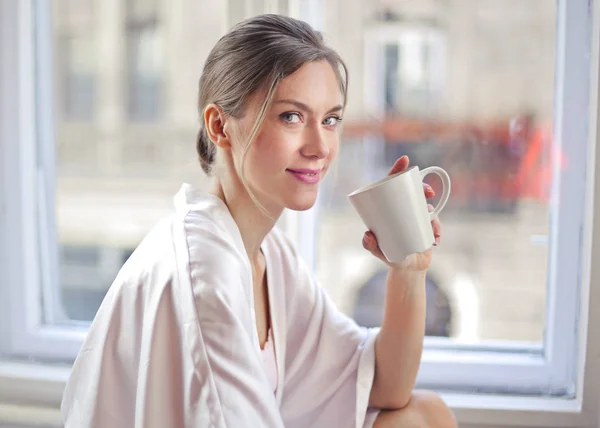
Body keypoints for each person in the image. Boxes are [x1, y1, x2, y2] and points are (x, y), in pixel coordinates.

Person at [61, 14, 456, 428]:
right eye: (291, 117)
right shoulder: (206, 278)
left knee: (423, 415)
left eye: (330, 120)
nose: (320, 147)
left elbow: (384, 388)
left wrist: (408, 270)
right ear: (220, 126)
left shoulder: (269, 253)